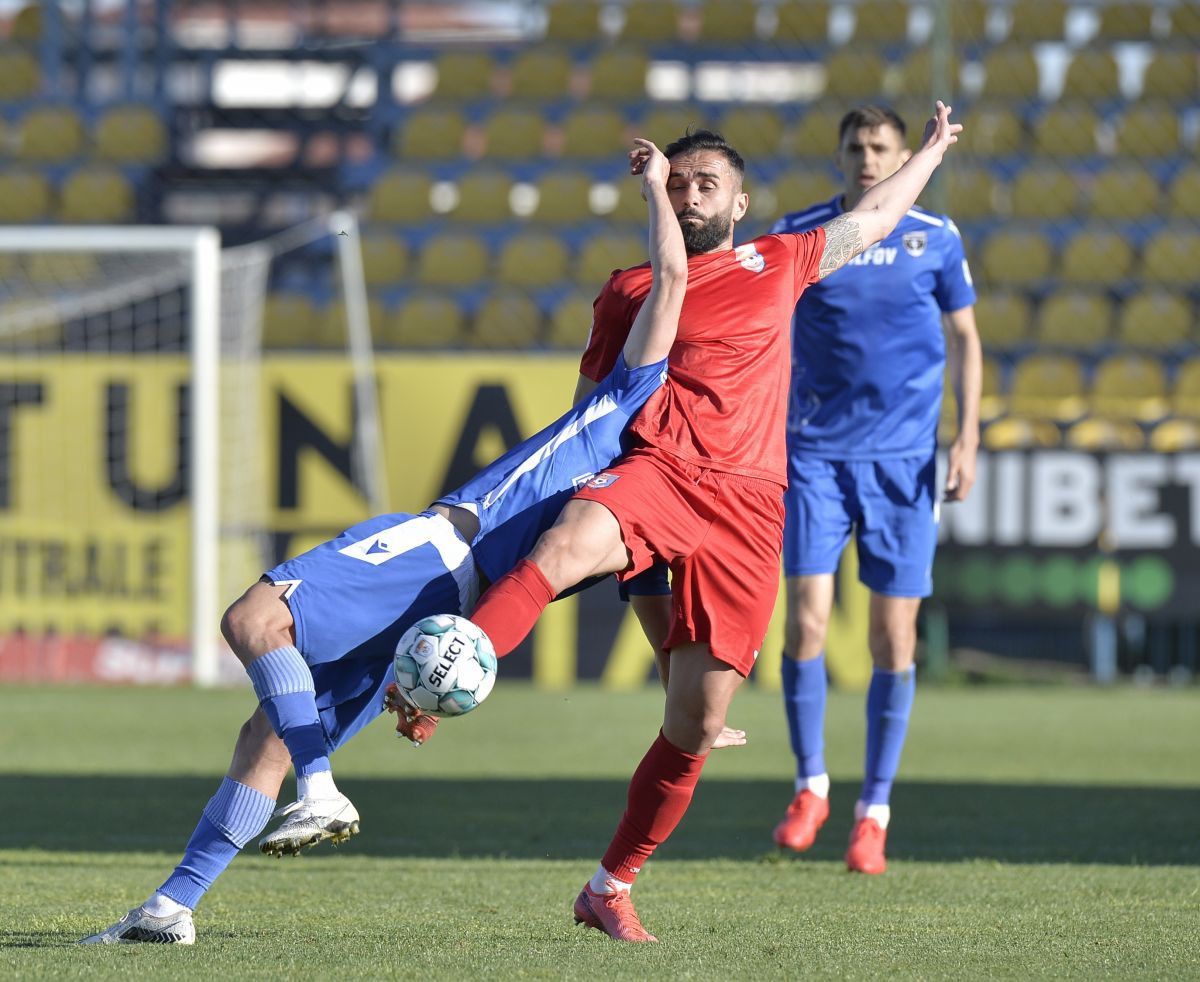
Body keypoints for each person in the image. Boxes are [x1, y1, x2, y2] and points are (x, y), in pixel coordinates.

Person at [79, 137, 689, 945]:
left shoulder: (623, 406)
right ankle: (171, 908)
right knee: (268, 732)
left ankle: (323, 787)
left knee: (254, 623)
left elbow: (674, 277)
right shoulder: (640, 499)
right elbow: (611, 584)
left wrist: (653, 189)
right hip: (445, 617)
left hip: (434, 552)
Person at [463, 101, 964, 943]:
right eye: (679, 181)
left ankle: (609, 885)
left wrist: (938, 149)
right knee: (564, 545)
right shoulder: (629, 289)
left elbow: (877, 216)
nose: (692, 194)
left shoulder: (784, 259)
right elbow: (591, 411)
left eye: (708, 184)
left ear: (739, 206)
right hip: (657, 471)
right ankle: (448, 670)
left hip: (750, 509)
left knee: (693, 721)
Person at [768, 104, 981, 876]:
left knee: (894, 639)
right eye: (855, 145)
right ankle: (810, 785)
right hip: (816, 456)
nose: (866, 157)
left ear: (901, 155)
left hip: (903, 465)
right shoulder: (808, 236)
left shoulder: (936, 236)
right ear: (839, 154)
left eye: (880, 146)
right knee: (807, 622)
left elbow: (965, 339)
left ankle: (874, 811)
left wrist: (968, 436)